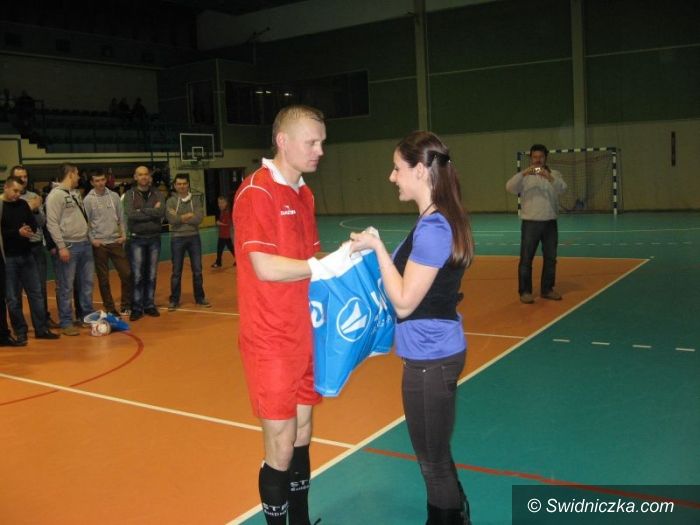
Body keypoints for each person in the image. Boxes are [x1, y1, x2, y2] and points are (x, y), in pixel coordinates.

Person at [349, 131, 474, 525]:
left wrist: (378, 249)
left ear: (420, 171)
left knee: (432, 464)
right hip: (432, 353)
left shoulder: (434, 227)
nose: (392, 177)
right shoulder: (434, 219)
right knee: (437, 455)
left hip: (430, 360)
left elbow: (404, 301)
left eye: (397, 169)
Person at [233, 105, 325, 525]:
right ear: (283, 141)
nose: (320, 150)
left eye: (322, 142)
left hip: (304, 332)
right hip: (270, 338)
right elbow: (265, 267)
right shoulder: (257, 191)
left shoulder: (304, 194)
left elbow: (310, 262)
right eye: (312, 142)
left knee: (303, 432)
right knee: (281, 444)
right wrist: (325, 266)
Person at [0, 176, 60, 343]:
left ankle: (41, 329)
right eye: (15, 191)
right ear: (6, 187)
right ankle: (21, 332)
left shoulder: (23, 205)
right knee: (12, 298)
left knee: (36, 294)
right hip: (8, 259)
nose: (17, 195)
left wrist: (28, 229)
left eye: (20, 192)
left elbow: (34, 224)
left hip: (27, 255)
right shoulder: (1, 206)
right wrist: (17, 232)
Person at [505, 144, 567, 304]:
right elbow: (509, 187)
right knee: (526, 259)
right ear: (531, 158)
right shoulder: (524, 177)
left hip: (550, 223)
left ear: (546, 158)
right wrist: (524, 173)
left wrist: (549, 177)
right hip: (530, 224)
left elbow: (563, 189)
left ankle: (547, 289)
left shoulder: (555, 174)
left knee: (551, 259)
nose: (538, 160)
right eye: (534, 157)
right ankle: (525, 292)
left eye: (541, 157)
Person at [45, 163, 95, 336]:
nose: (80, 177)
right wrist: (61, 246)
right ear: (71, 174)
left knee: (87, 283)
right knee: (65, 286)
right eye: (77, 174)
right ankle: (66, 321)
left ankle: (86, 316)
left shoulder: (75, 193)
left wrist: (89, 237)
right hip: (69, 246)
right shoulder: (55, 196)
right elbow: (52, 223)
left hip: (84, 244)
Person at [13, 165, 60, 328]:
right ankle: (19, 326)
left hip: (36, 247)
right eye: (19, 176)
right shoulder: (8, 199)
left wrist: (34, 211)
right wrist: (29, 206)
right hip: (16, 249)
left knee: (40, 287)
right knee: (16, 290)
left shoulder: (35, 196)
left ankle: (43, 321)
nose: (23, 179)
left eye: (25, 176)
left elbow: (42, 222)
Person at [84, 168, 132, 316]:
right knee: (103, 279)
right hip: (100, 245)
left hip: (116, 242)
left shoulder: (114, 196)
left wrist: (124, 235)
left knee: (127, 273)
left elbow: (121, 217)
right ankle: (110, 308)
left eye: (102, 180)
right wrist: (92, 240)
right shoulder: (88, 200)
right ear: (92, 182)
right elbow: (86, 222)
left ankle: (126, 305)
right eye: (97, 181)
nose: (100, 183)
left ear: (106, 180)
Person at [122, 165, 165, 321]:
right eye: (140, 174)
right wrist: (151, 210)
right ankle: (137, 308)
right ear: (135, 177)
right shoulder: (129, 195)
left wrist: (142, 210)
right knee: (138, 275)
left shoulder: (158, 193)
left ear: (149, 177)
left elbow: (161, 212)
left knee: (151, 275)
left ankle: (149, 305)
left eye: (146, 174)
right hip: (136, 239)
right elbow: (131, 214)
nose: (144, 177)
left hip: (154, 238)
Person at [165, 174, 210, 310]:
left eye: (184, 183)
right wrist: (188, 215)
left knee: (197, 270)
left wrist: (180, 217)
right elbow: (171, 220)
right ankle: (174, 300)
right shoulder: (171, 201)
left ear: (188, 185)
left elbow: (199, 218)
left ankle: (200, 298)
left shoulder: (195, 200)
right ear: (175, 186)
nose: (182, 186)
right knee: (176, 271)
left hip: (194, 237)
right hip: (177, 238)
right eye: (179, 184)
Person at [212, 195, 235, 268]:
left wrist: (219, 223)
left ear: (226, 203)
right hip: (222, 234)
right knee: (221, 249)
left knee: (228, 249)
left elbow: (228, 223)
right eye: (219, 203)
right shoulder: (221, 211)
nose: (220, 204)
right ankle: (218, 262)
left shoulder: (227, 212)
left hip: (227, 235)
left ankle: (219, 262)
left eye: (222, 203)